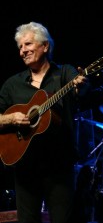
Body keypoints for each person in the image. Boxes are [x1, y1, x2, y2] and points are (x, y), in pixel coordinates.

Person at [0, 22, 91, 223]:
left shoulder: (65, 74)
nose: (23, 51)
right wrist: (10, 118)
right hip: (25, 168)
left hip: (59, 167)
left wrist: (80, 87)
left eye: (28, 44)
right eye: (20, 47)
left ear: (45, 46)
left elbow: (80, 92)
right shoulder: (12, 85)